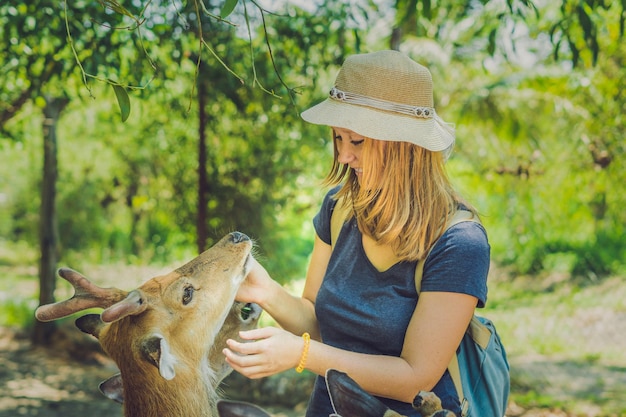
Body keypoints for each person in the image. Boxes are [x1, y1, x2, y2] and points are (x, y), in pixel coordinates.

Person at [223, 50, 489, 416]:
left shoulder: (459, 243)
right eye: (337, 139)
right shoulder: (338, 208)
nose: (344, 156)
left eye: (357, 141)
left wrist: (301, 355)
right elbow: (319, 325)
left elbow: (416, 378)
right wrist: (266, 291)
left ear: (404, 147)